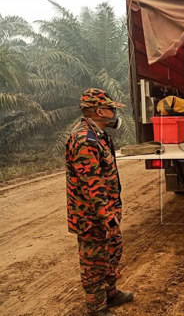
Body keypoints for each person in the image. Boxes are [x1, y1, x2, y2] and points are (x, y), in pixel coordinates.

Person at [66, 88, 133, 316]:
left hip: (106, 212)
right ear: (99, 111)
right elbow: (92, 184)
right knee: (94, 261)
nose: (114, 112)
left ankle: (111, 293)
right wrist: (107, 218)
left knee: (113, 251)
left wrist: (113, 214)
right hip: (91, 217)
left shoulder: (98, 135)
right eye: (111, 108)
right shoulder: (84, 139)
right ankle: (96, 307)